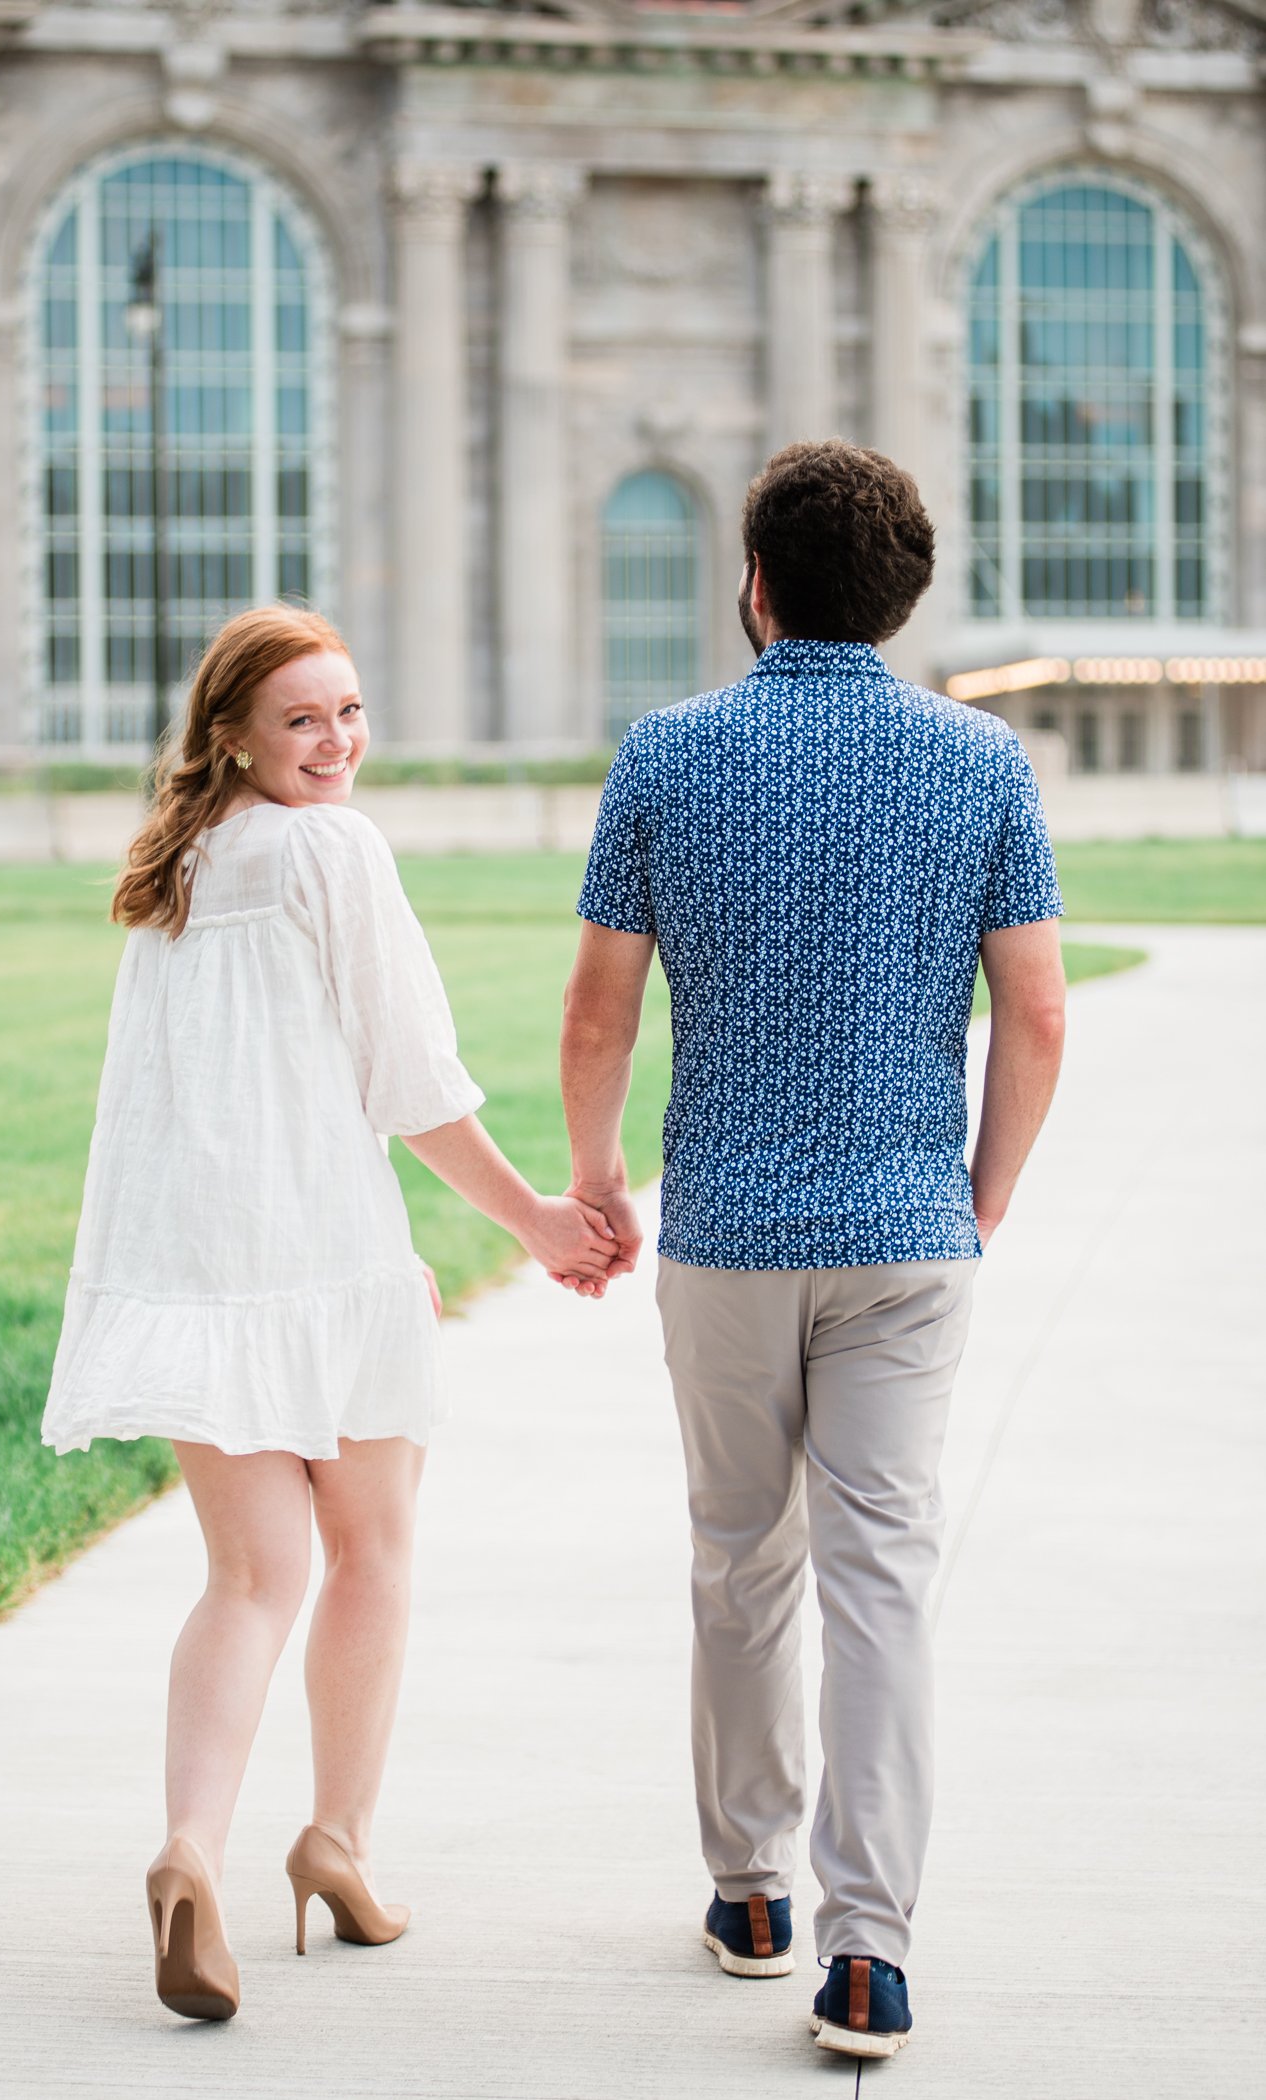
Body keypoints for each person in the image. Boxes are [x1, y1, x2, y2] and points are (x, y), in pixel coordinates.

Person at [560, 440, 1066, 2059]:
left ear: (755, 582)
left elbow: (597, 1009)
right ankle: (868, 1952)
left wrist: (592, 1178)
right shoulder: (982, 761)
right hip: (905, 1233)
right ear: (903, 595)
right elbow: (1034, 1015)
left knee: (737, 1557)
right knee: (882, 1583)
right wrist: (978, 1197)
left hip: (720, 1230)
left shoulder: (666, 750)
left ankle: (751, 1888)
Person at [41, 604, 615, 2022]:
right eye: (303, 719)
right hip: (322, 1275)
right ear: (230, 733)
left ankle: (190, 1849)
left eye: (349, 712)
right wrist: (537, 1219)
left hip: (203, 1274)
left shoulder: (185, 865)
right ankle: (337, 1847)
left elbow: (189, 1109)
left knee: (248, 1580)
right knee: (370, 1555)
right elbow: (405, 1074)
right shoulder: (330, 849)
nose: (337, 741)